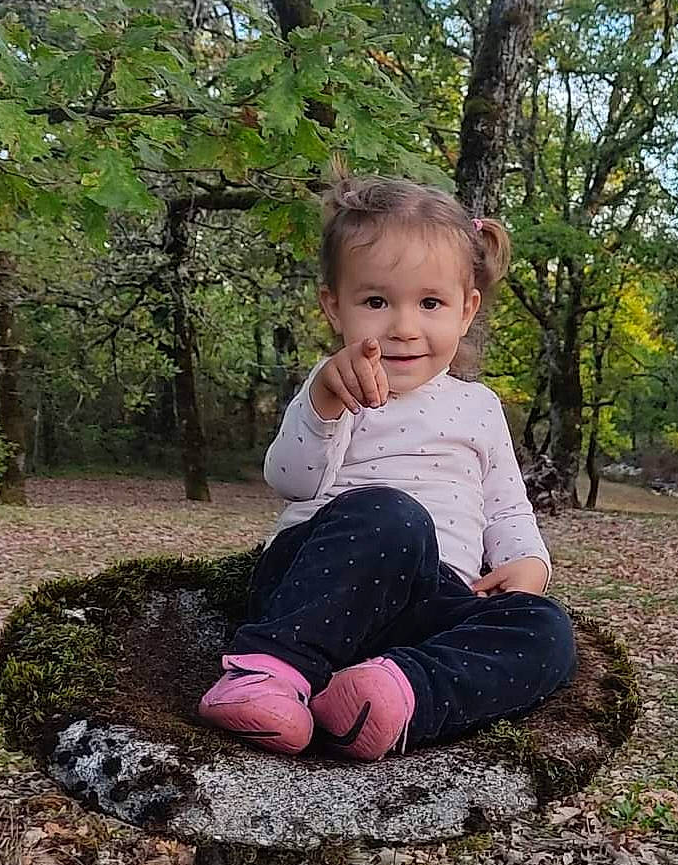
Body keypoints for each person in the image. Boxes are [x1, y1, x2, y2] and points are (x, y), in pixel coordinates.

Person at [199, 175, 576, 760]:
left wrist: (528, 562)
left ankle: (393, 695)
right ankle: (265, 674)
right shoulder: (336, 384)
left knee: (547, 631)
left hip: (434, 600)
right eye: (376, 302)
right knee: (394, 516)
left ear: (467, 309)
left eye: (430, 303)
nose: (403, 327)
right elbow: (290, 480)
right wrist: (324, 403)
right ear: (334, 306)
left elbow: (505, 505)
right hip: (321, 587)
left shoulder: (479, 406)